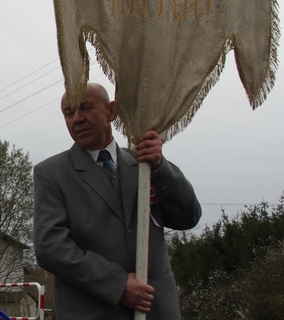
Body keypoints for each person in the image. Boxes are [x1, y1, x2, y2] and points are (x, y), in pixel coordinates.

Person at [33, 83, 202, 319]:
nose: (77, 119)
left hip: (157, 311)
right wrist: (118, 285)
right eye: (69, 113)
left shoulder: (144, 163)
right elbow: (50, 247)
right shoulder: (52, 174)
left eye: (86, 108)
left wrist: (160, 167)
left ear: (110, 110)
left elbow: (189, 217)